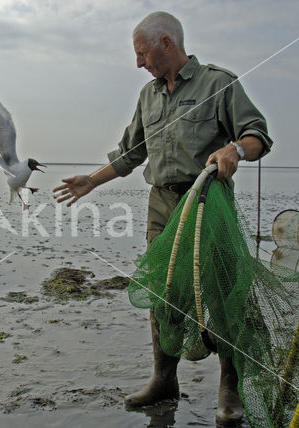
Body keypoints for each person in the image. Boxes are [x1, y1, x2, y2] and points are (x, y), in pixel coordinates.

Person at [53, 11, 273, 426]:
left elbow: (257, 135)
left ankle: (230, 389)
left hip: (209, 201)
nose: (139, 63)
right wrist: (92, 181)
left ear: (166, 43)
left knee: (225, 293)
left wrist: (235, 151)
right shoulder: (148, 96)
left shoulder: (218, 83)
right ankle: (163, 381)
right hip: (161, 204)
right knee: (163, 291)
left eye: (142, 53)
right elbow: (131, 154)